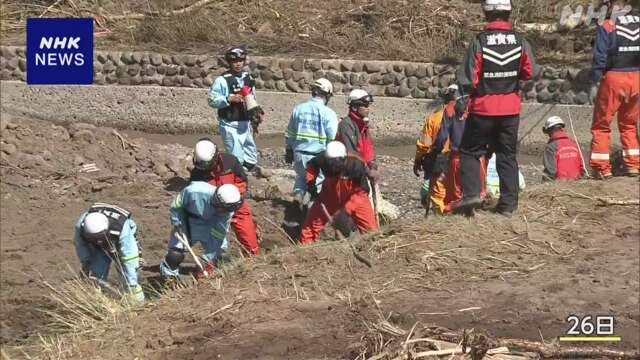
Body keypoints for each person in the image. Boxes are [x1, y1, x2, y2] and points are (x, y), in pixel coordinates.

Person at [454, 0, 540, 216]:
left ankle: (472, 194)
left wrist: (463, 99)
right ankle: (508, 206)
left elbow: (468, 78)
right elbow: (531, 72)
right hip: (511, 109)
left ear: (486, 13)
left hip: (483, 108)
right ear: (508, 12)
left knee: (469, 151)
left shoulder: (479, 41)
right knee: (507, 155)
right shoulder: (520, 41)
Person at [589, 0, 639, 179]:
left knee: (601, 125)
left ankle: (602, 168)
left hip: (614, 77)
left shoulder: (608, 24)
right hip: (637, 77)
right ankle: (633, 165)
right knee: (629, 124)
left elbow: (600, 56)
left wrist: (594, 81)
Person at [189, 138, 259, 256]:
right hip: (215, 212)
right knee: (216, 246)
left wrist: (233, 194)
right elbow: (196, 198)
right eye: (202, 166)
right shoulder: (197, 175)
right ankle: (215, 267)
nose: (205, 169)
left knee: (249, 239)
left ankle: (253, 258)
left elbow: (242, 182)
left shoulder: (230, 161)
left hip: (236, 205)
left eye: (207, 165)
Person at [160, 183, 242, 282]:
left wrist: (207, 258)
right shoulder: (194, 191)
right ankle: (169, 277)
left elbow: (219, 233)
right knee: (175, 255)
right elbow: (177, 205)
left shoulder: (228, 211)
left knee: (220, 255)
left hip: (212, 224)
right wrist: (176, 221)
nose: (225, 211)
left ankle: (210, 277)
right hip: (189, 221)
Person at [299, 141, 377, 245]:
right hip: (329, 195)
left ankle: (373, 249)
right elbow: (312, 167)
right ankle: (304, 249)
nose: (333, 167)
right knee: (311, 225)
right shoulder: (323, 158)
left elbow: (362, 191)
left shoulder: (355, 164)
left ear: (343, 159)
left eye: (335, 164)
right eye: (330, 163)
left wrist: (346, 210)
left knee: (370, 230)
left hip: (354, 196)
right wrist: (311, 183)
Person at [431, 86, 488, 214]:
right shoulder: (481, 105)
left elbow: (441, 137)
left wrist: (434, 155)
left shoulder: (449, 109)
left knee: (455, 198)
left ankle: (455, 223)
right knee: (479, 195)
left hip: (457, 158)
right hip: (478, 158)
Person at [73, 203, 144, 302]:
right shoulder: (81, 226)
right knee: (95, 274)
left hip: (118, 239)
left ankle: (138, 304)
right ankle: (96, 301)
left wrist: (131, 281)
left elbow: (129, 257)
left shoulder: (121, 229)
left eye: (100, 237)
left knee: (129, 281)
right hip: (100, 245)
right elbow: (80, 245)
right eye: (94, 238)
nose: (98, 241)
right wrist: (87, 262)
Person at [285, 78, 338, 204]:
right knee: (317, 183)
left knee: (301, 178)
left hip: (299, 152)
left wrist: (288, 150)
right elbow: (333, 137)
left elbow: (290, 133)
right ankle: (309, 206)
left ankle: (298, 196)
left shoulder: (299, 109)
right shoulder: (328, 113)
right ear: (327, 94)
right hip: (317, 156)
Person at [208, 45, 261, 173]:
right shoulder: (222, 80)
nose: (238, 64)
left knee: (251, 155)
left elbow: (253, 99)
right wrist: (228, 99)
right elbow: (211, 100)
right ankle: (236, 179)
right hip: (229, 124)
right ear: (229, 62)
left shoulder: (249, 78)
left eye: (240, 61)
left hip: (245, 123)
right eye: (234, 61)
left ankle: (250, 175)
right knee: (236, 156)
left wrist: (256, 118)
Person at [413, 85, 457, 215]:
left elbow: (424, 144)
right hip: (461, 160)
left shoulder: (433, 118)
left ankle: (442, 219)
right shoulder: (467, 116)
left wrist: (418, 160)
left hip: (439, 160)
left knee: (438, 194)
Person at [337, 89, 378, 179]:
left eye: (368, 106)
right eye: (365, 106)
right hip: (347, 175)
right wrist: (368, 171)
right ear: (354, 107)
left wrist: (372, 165)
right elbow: (351, 153)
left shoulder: (363, 125)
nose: (368, 109)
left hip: (360, 170)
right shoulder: (346, 125)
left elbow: (368, 149)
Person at [540, 116, 584, 181]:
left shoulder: (551, 147)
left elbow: (550, 172)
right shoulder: (573, 144)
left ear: (549, 130)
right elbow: (582, 167)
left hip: (560, 184)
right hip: (576, 182)